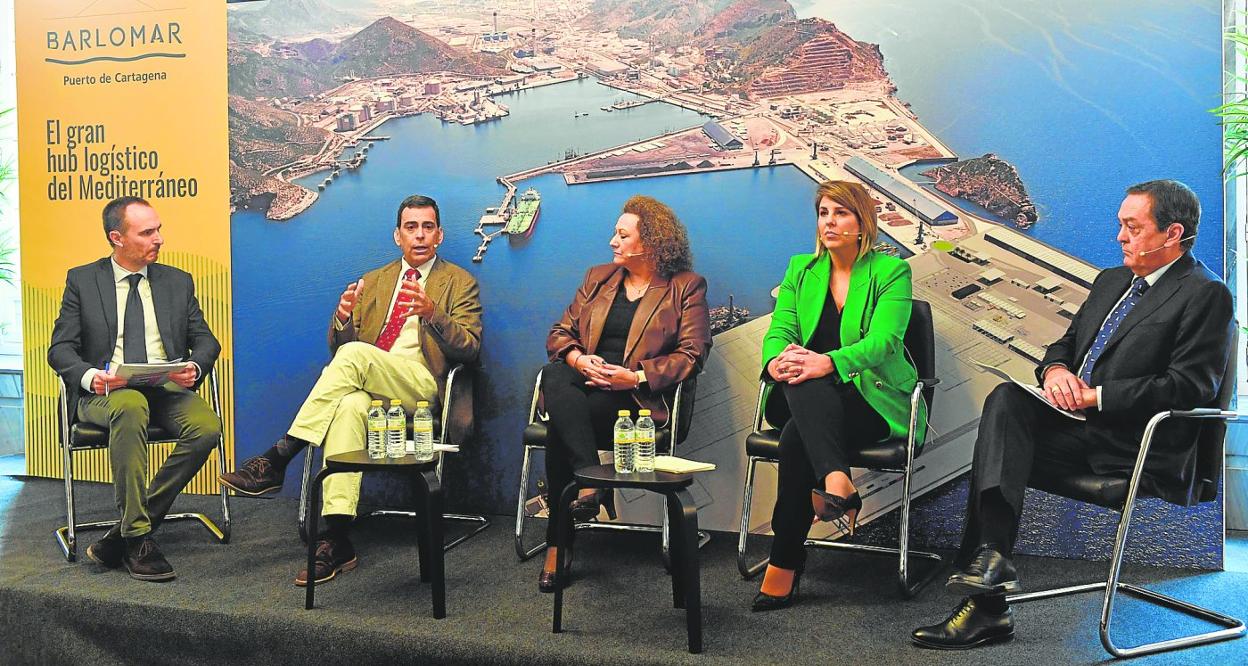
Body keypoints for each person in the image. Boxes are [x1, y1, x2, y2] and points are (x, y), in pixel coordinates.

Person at [912, 180, 1233, 650]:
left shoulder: (1206, 294)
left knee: (996, 449)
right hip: (1082, 432)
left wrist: (1095, 397)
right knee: (1006, 400)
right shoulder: (1111, 282)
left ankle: (987, 603)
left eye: (1132, 227)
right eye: (1120, 225)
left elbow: (1189, 387)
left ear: (1172, 233)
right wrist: (1057, 372)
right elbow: (1064, 345)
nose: (1120, 236)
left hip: (1136, 444)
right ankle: (992, 560)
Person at [219, 194, 482, 586]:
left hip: (421, 384)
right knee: (348, 406)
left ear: (439, 235)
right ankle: (337, 536)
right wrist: (341, 319)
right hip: (370, 382)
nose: (419, 235)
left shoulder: (459, 282)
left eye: (427, 227)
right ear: (397, 236)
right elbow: (341, 352)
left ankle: (279, 456)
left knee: (357, 357)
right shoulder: (374, 281)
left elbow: (470, 349)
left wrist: (433, 313)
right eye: (411, 227)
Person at [751, 180, 925, 612]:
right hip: (803, 393)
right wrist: (776, 362)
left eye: (841, 212)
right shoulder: (801, 269)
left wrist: (826, 363)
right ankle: (837, 480)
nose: (829, 222)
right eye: (823, 213)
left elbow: (884, 342)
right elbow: (780, 330)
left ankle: (784, 562)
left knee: (796, 437)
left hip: (868, 400)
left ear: (862, 222)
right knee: (802, 379)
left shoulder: (891, 272)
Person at [537, 194, 711, 592]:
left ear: (651, 242)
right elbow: (560, 334)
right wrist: (580, 359)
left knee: (560, 426)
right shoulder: (598, 278)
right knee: (556, 373)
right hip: (583, 386)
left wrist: (632, 378)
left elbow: (693, 354)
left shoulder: (685, 287)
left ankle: (559, 544)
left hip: (635, 399)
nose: (612, 242)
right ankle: (591, 479)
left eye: (622, 235)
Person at [48, 196, 222, 582]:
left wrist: (194, 366)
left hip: (164, 389)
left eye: (158, 229)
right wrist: (90, 376)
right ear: (117, 238)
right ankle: (139, 537)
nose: (159, 238)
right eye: (147, 232)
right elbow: (60, 349)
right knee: (129, 405)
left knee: (207, 427)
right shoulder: (83, 281)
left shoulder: (177, 281)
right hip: (106, 394)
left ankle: (124, 533)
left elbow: (205, 340)